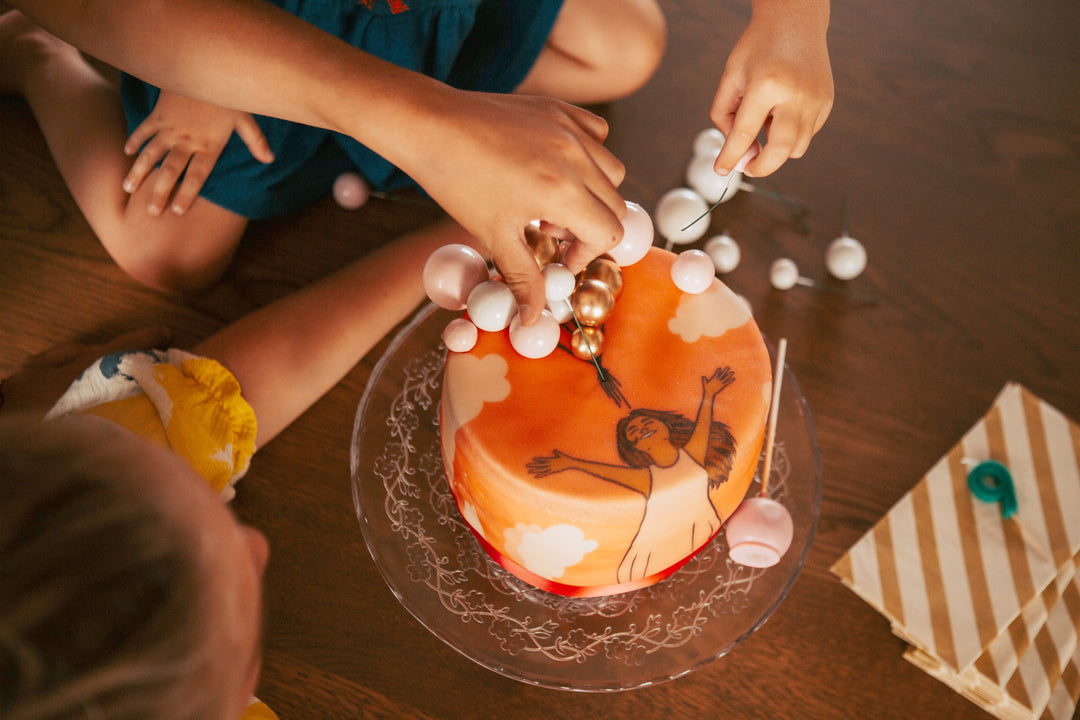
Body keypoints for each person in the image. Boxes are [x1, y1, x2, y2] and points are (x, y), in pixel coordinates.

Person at [1, 0, 832, 321]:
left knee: (626, 46)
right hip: (250, 24)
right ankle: (33, 55)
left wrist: (794, 22)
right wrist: (198, 67)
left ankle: (427, 85)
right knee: (168, 252)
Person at [0, 220, 480, 720]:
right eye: (241, 642)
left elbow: (272, 367)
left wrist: (460, 240)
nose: (258, 546)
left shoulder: (96, 469)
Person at [527, 366, 738, 584]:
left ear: (666, 426)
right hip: (658, 545)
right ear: (635, 447)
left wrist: (709, 394)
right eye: (634, 432)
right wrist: (571, 463)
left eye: (647, 422)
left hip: (701, 528)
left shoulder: (693, 455)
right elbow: (609, 473)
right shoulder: (649, 479)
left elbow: (703, 425)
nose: (641, 428)